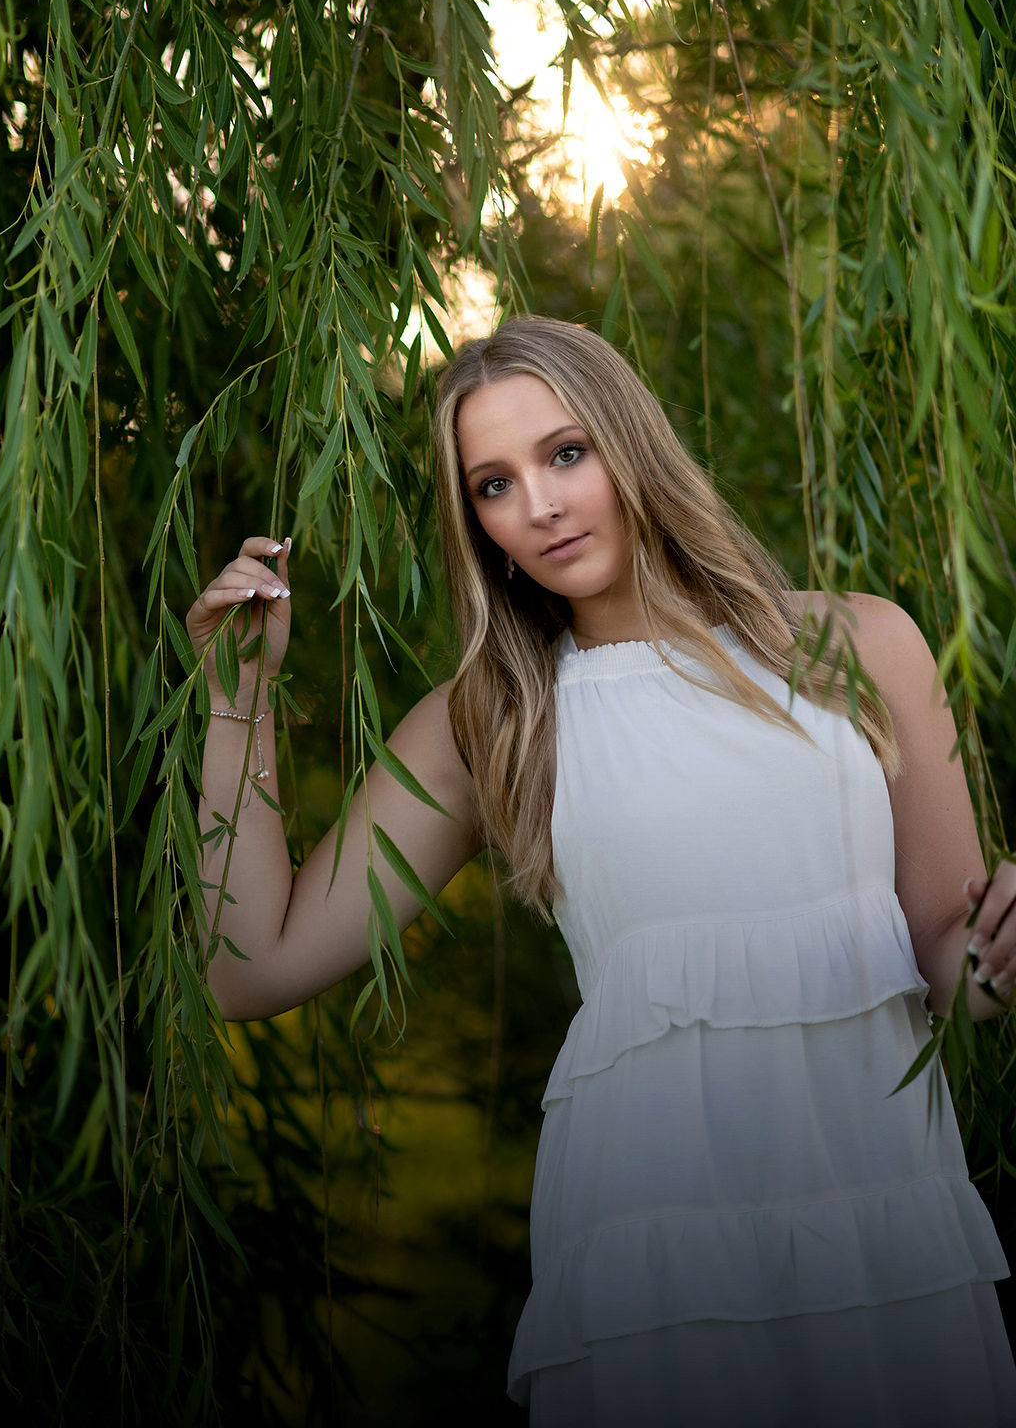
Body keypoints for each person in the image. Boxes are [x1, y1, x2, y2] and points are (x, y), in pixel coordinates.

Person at [187, 315, 1016, 1426]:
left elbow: (951, 964)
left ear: (630, 444)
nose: (537, 504)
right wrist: (238, 700)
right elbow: (250, 968)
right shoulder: (493, 722)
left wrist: (1001, 955)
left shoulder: (860, 647)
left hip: (884, 1199)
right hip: (650, 1233)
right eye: (492, 483)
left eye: (565, 453)